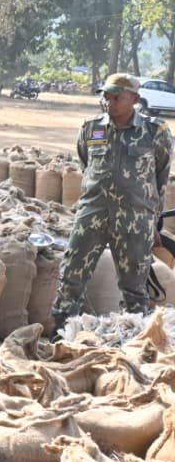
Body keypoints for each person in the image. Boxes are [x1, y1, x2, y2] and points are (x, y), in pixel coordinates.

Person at [50, 73, 172, 334]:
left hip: (134, 219)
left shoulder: (154, 132)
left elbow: (160, 177)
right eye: (106, 96)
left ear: (135, 99)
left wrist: (153, 222)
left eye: (117, 97)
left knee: (134, 289)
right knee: (71, 278)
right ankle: (60, 337)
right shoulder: (92, 128)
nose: (109, 102)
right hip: (92, 215)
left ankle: (132, 341)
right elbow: (87, 164)